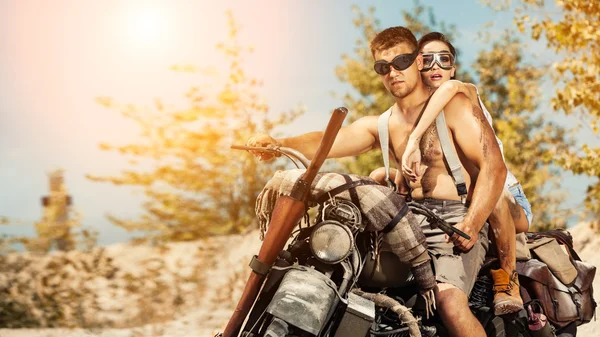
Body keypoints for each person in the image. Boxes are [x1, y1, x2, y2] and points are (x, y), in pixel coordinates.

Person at [247, 26, 506, 337]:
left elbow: (494, 167)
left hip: (452, 222)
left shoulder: (453, 108)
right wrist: (277, 142)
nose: (392, 72)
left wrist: (473, 224)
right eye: (383, 67)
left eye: (401, 62)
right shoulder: (382, 125)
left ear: (419, 62)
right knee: (338, 273)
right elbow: (330, 140)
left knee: (448, 302)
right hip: (402, 219)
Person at [372, 32, 531, 315]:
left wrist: (412, 141)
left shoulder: (461, 90)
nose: (435, 67)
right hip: (467, 194)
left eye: (443, 60)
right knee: (376, 175)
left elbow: (446, 93)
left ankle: (508, 279)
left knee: (492, 190)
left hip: (508, 195)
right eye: (427, 61)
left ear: (453, 68)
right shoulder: (426, 108)